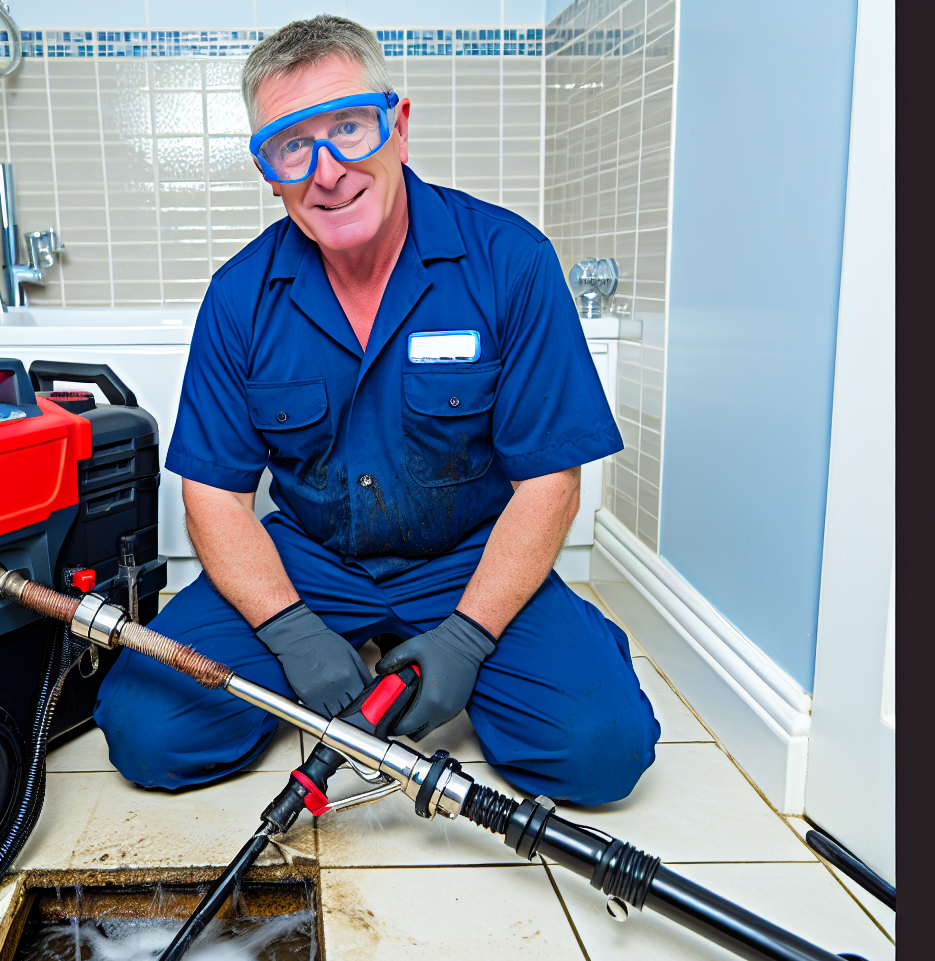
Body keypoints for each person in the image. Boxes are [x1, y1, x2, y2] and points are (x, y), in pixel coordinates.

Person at [93, 15, 659, 806]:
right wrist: (290, 631)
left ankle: (560, 636)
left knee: (599, 752)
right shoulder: (239, 296)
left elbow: (550, 484)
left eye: (350, 128)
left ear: (397, 127)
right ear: (269, 169)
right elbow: (214, 497)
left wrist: (468, 638)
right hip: (310, 559)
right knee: (149, 730)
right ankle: (356, 635)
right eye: (294, 144)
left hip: (470, 553)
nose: (327, 170)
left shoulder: (510, 262)